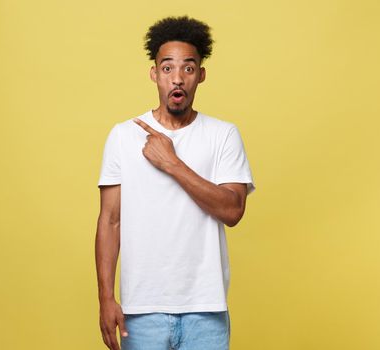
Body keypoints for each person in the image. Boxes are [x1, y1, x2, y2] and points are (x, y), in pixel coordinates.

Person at [95, 15, 255, 350]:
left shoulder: (223, 135)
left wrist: (172, 164)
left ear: (201, 75)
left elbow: (233, 209)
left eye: (188, 68)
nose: (177, 78)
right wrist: (106, 298)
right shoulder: (124, 136)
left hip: (205, 310)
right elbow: (110, 221)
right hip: (142, 311)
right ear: (154, 73)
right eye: (167, 68)